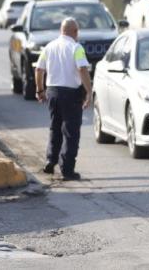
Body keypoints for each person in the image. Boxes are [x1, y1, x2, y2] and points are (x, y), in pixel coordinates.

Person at [35, 17, 93, 181]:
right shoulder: (76, 47)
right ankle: (67, 170)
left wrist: (40, 90)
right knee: (71, 132)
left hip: (52, 92)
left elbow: (39, 70)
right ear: (75, 32)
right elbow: (82, 69)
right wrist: (88, 91)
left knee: (55, 127)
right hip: (71, 94)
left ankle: (50, 161)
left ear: (61, 30)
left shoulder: (49, 47)